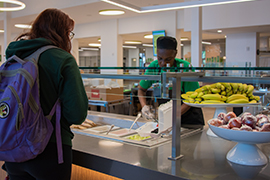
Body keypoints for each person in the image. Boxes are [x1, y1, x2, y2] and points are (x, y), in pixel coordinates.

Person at [4, 8, 88, 180]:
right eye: (69, 33)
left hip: (12, 146)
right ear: (62, 32)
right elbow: (77, 114)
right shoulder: (63, 59)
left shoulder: (14, 55)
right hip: (50, 151)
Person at [138, 36, 204, 125]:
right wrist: (144, 107)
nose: (163, 63)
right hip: (166, 118)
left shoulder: (184, 67)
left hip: (189, 119)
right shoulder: (154, 67)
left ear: (175, 53)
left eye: (168, 59)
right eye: (160, 58)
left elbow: (192, 98)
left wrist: (174, 115)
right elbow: (141, 90)